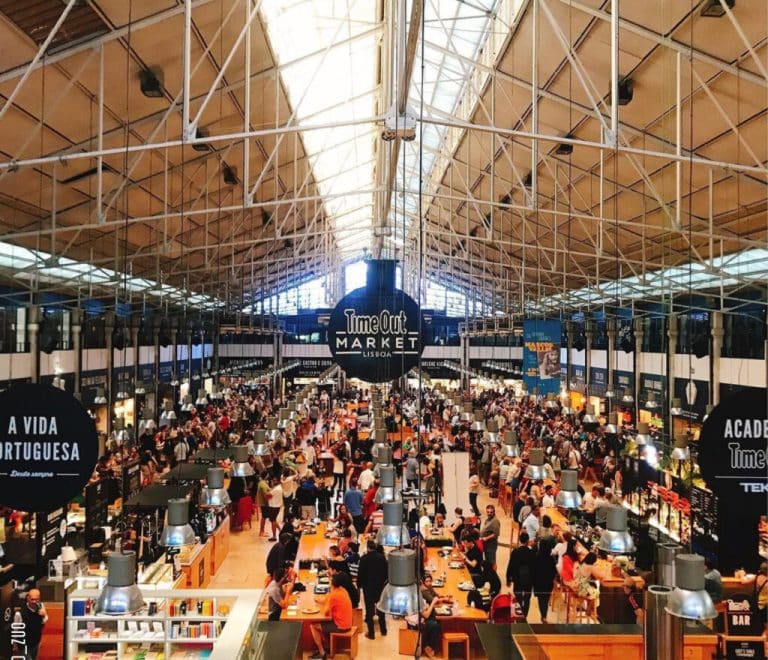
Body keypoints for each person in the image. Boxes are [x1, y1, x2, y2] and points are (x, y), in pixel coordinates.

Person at [310, 573, 354, 660]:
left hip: (341, 626)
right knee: (321, 624)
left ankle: (322, 653)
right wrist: (320, 601)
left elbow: (325, 612)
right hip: (348, 622)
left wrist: (323, 605)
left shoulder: (334, 595)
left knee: (313, 625)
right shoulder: (343, 590)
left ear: (332, 584)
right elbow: (327, 600)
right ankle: (326, 646)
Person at [357, 540, 388, 640]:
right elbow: (386, 572)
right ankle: (383, 630)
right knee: (381, 608)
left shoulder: (364, 559)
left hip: (368, 587)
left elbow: (360, 573)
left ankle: (371, 633)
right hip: (380, 586)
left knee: (369, 610)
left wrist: (359, 585)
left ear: (367, 547)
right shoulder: (382, 558)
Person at [507, 532, 536, 617]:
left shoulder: (515, 551)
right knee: (527, 598)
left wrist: (508, 578)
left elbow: (510, 565)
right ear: (527, 541)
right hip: (528, 579)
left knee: (518, 596)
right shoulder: (531, 552)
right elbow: (534, 567)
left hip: (517, 578)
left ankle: (518, 613)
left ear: (519, 540)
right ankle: (525, 614)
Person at [16, 588, 48, 659]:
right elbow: (16, 628)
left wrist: (44, 615)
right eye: (32, 599)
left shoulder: (41, 606)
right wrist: (15, 644)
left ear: (39, 598)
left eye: (36, 599)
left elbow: (44, 621)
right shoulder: (21, 612)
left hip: (36, 641)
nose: (34, 601)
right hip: (24, 643)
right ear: (27, 598)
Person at [534, 535, 558, 623]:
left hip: (538, 583)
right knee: (546, 598)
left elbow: (534, 570)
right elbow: (554, 571)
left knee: (541, 599)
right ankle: (544, 615)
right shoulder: (551, 559)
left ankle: (543, 615)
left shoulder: (536, 557)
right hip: (548, 583)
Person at [480, 505, 501, 569]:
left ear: (494, 512)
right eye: (488, 512)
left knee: (492, 562)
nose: (489, 513)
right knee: (488, 561)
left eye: (491, 512)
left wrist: (486, 538)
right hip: (486, 544)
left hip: (491, 544)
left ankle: (494, 577)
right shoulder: (487, 519)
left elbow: (496, 534)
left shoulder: (495, 521)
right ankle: (489, 575)